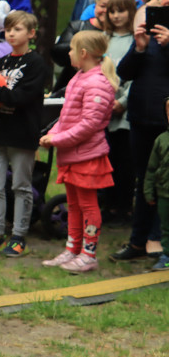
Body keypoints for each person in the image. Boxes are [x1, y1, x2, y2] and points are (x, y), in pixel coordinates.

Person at [0, 11, 48, 257]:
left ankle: (18, 236)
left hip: (22, 134)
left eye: (18, 29)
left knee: (21, 186)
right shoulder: (0, 63)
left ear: (31, 34)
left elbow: (22, 97)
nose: (11, 33)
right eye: (8, 29)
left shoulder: (36, 64)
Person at [41, 31, 118, 273]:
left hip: (87, 156)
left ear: (83, 53)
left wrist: (57, 139)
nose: (69, 53)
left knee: (87, 205)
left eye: (72, 49)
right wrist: (52, 133)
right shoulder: (79, 77)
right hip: (72, 154)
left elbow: (88, 125)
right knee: (73, 204)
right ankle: (73, 249)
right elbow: (67, 117)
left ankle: (89, 254)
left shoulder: (97, 83)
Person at [112, 0, 169, 263]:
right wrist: (140, 48)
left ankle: (159, 243)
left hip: (166, 123)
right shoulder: (149, 35)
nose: (164, 2)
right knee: (142, 180)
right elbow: (125, 73)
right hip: (140, 119)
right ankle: (137, 241)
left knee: (164, 183)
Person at [102, 0, 139, 224]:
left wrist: (122, 102)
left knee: (125, 162)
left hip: (124, 112)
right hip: (103, 109)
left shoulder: (136, 41)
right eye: (112, 11)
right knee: (107, 160)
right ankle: (108, 205)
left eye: (121, 11)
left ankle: (124, 207)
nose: (116, 16)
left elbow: (135, 76)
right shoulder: (105, 39)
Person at [144, 96, 169, 271]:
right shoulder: (161, 139)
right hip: (164, 194)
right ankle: (167, 256)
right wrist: (148, 191)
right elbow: (151, 169)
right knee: (166, 227)